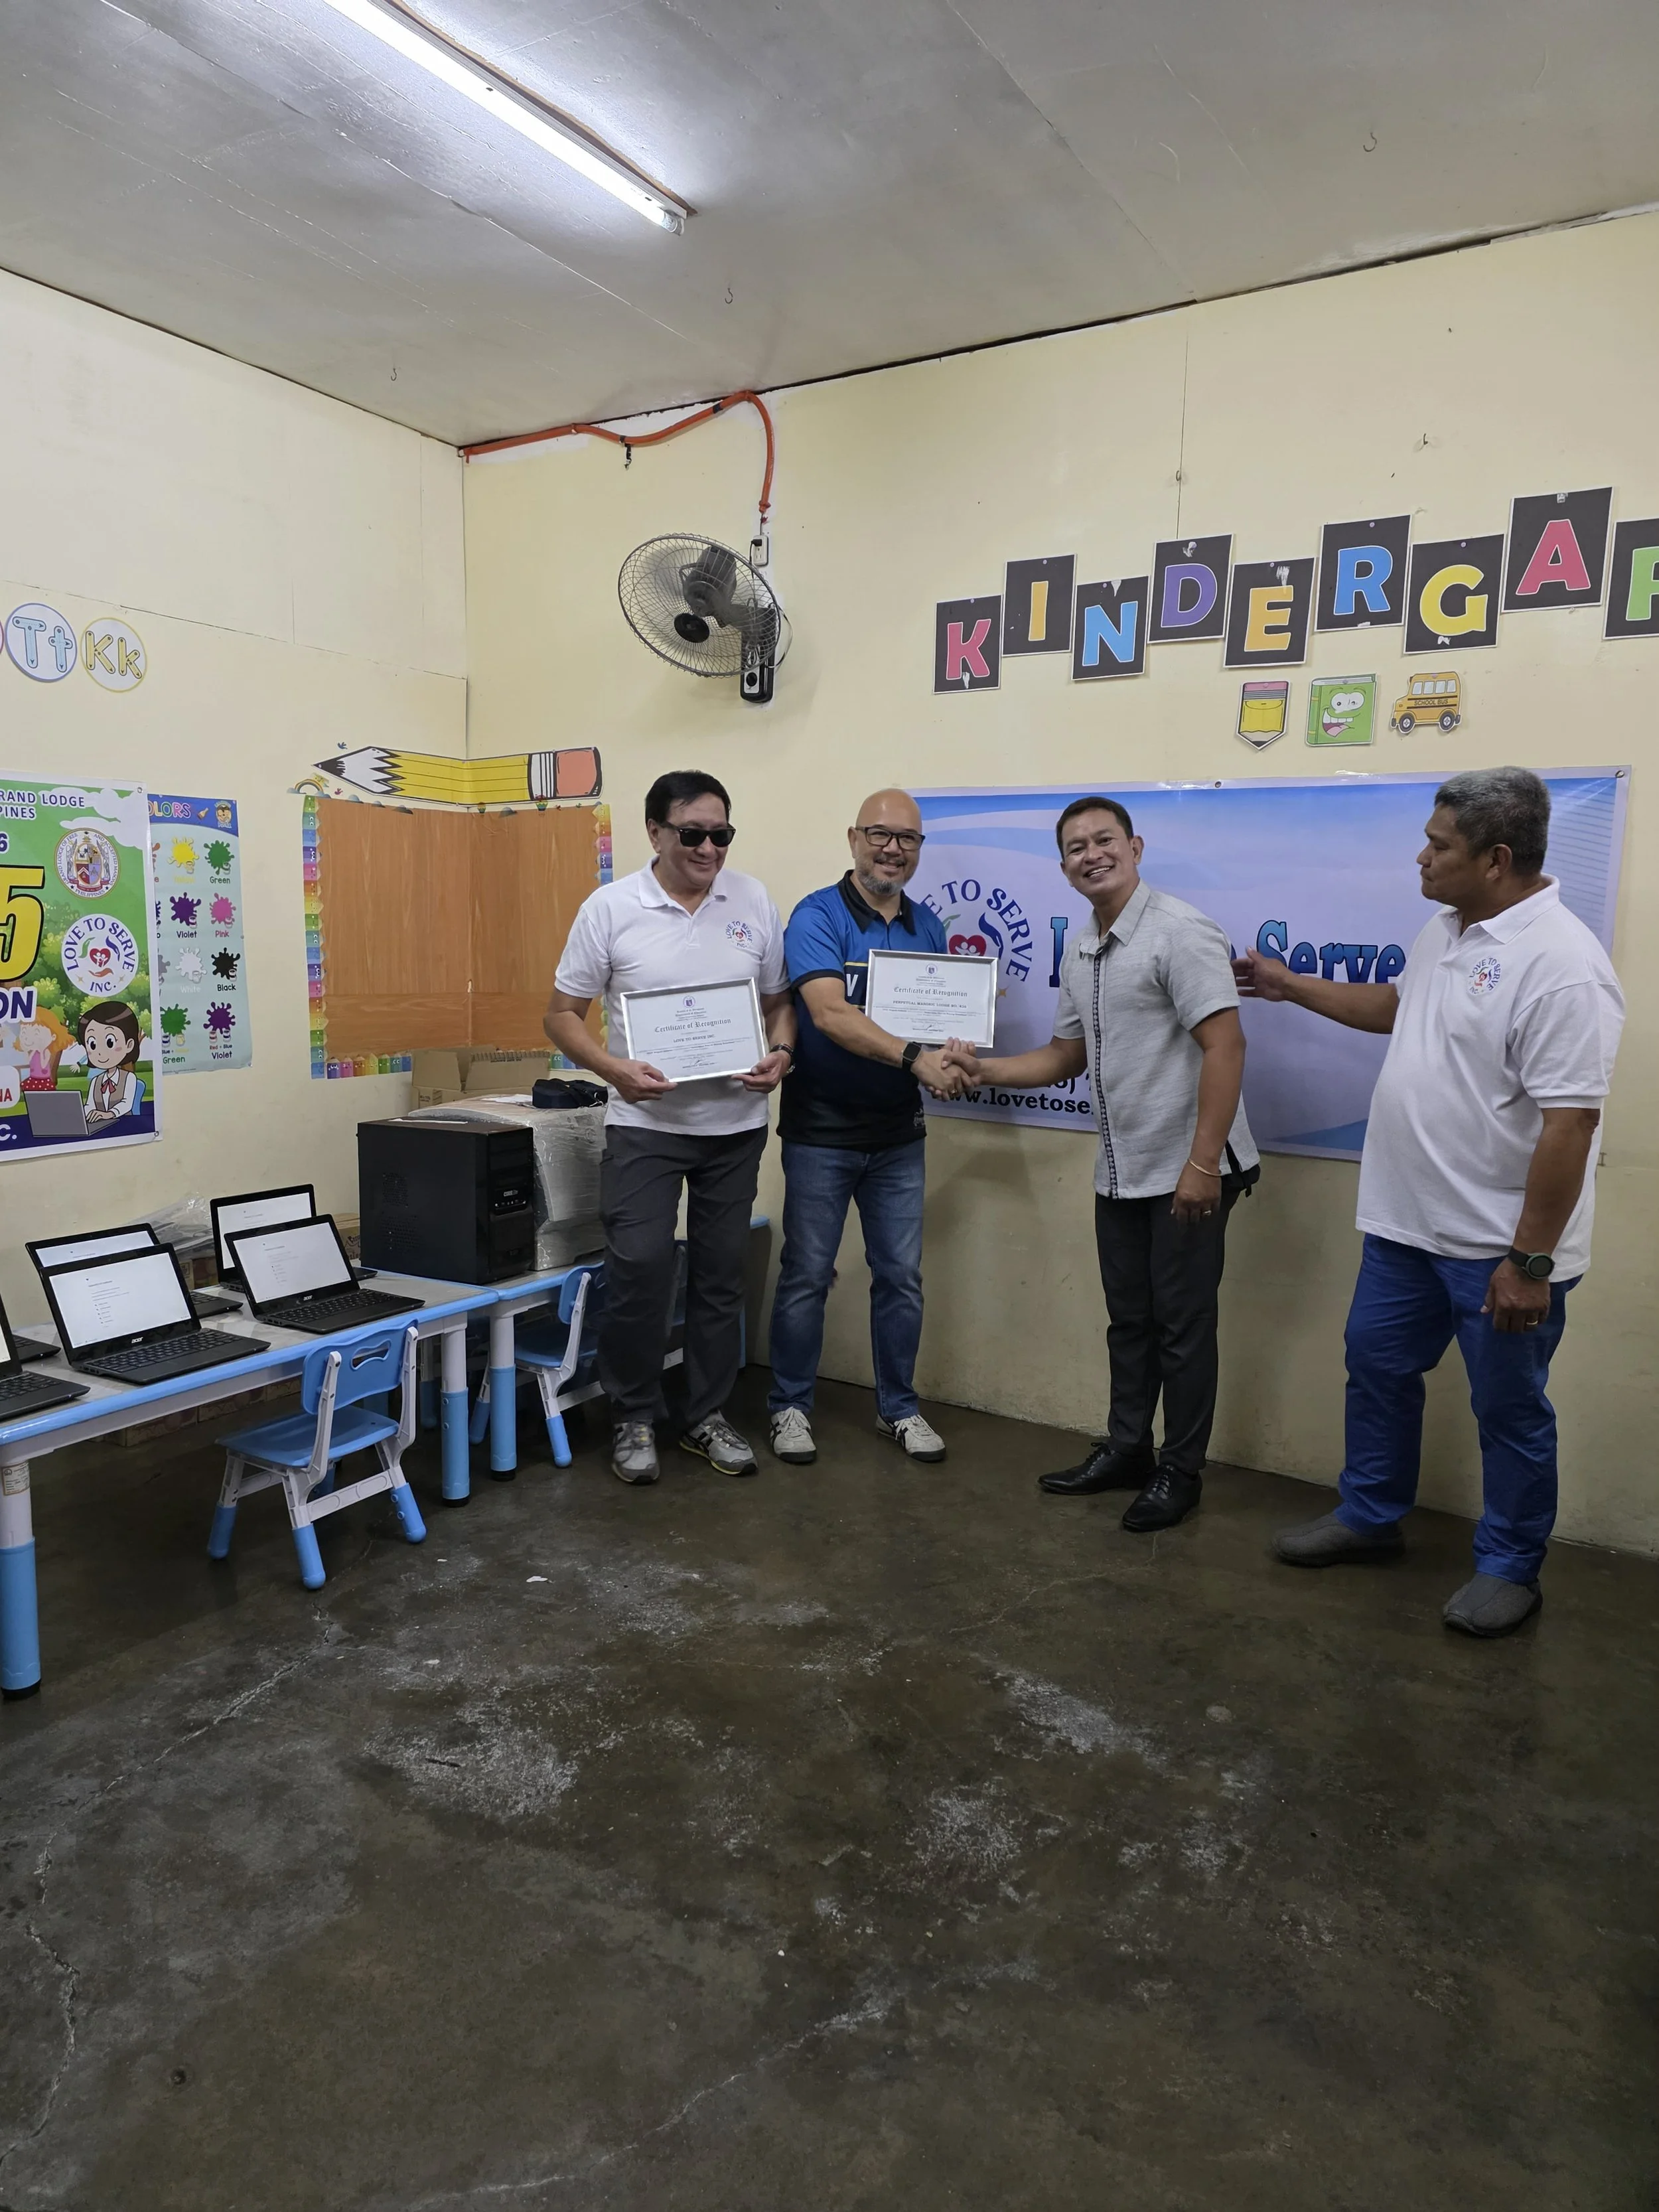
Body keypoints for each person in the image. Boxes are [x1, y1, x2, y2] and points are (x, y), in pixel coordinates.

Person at [1234, 767, 1624, 1637]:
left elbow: (1570, 1126)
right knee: (1375, 1371)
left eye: (1437, 845)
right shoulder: (1444, 930)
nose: (1421, 857)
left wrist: (1529, 1263)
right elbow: (1395, 1008)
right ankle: (1371, 1517)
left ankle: (1511, 1566)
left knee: (1510, 1412)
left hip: (1499, 1250)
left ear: (1494, 858)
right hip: (1403, 1229)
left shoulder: (1563, 967)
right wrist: (1288, 984)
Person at [941, 796, 1258, 1532]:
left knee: (1182, 1326)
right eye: (1076, 847)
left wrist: (1203, 1165)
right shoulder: (1083, 946)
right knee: (1130, 1321)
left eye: (1104, 840)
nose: (1092, 855)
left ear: (1135, 846)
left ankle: (1180, 1471)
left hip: (1189, 1167)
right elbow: (1065, 1056)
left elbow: (1226, 1046)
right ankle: (1127, 1450)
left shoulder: (1178, 932)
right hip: (1123, 1167)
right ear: (1062, 867)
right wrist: (981, 1070)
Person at [545, 771, 796, 1486]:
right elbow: (561, 1014)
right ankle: (632, 1416)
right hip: (644, 1124)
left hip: (735, 1124)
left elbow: (779, 1003)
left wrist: (781, 1052)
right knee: (642, 1267)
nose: (709, 847)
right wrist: (612, 1069)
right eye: (692, 834)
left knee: (719, 1277)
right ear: (655, 833)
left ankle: (707, 1416)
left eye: (721, 834)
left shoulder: (751, 900)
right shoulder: (611, 909)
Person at [766, 788, 966, 1469]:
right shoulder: (816, 916)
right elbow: (829, 1014)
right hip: (821, 1132)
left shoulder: (927, 926)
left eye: (907, 839)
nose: (893, 849)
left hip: (898, 1135)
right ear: (854, 837)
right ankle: (789, 1406)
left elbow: (938, 1017)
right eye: (880, 835)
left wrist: (956, 1047)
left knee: (901, 1277)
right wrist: (916, 1058)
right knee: (807, 1276)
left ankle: (899, 1410)